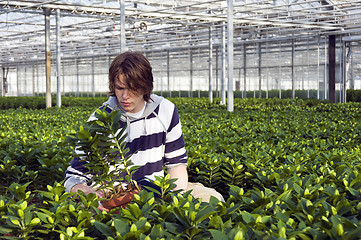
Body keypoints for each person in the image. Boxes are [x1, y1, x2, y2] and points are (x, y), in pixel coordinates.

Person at [64, 51, 224, 207]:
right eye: (120, 88)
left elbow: (176, 165)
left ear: (146, 87)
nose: (125, 96)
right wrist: (85, 191)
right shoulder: (100, 119)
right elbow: (75, 175)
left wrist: (174, 199)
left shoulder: (165, 110)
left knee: (212, 199)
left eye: (133, 88)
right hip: (115, 193)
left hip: (158, 188)